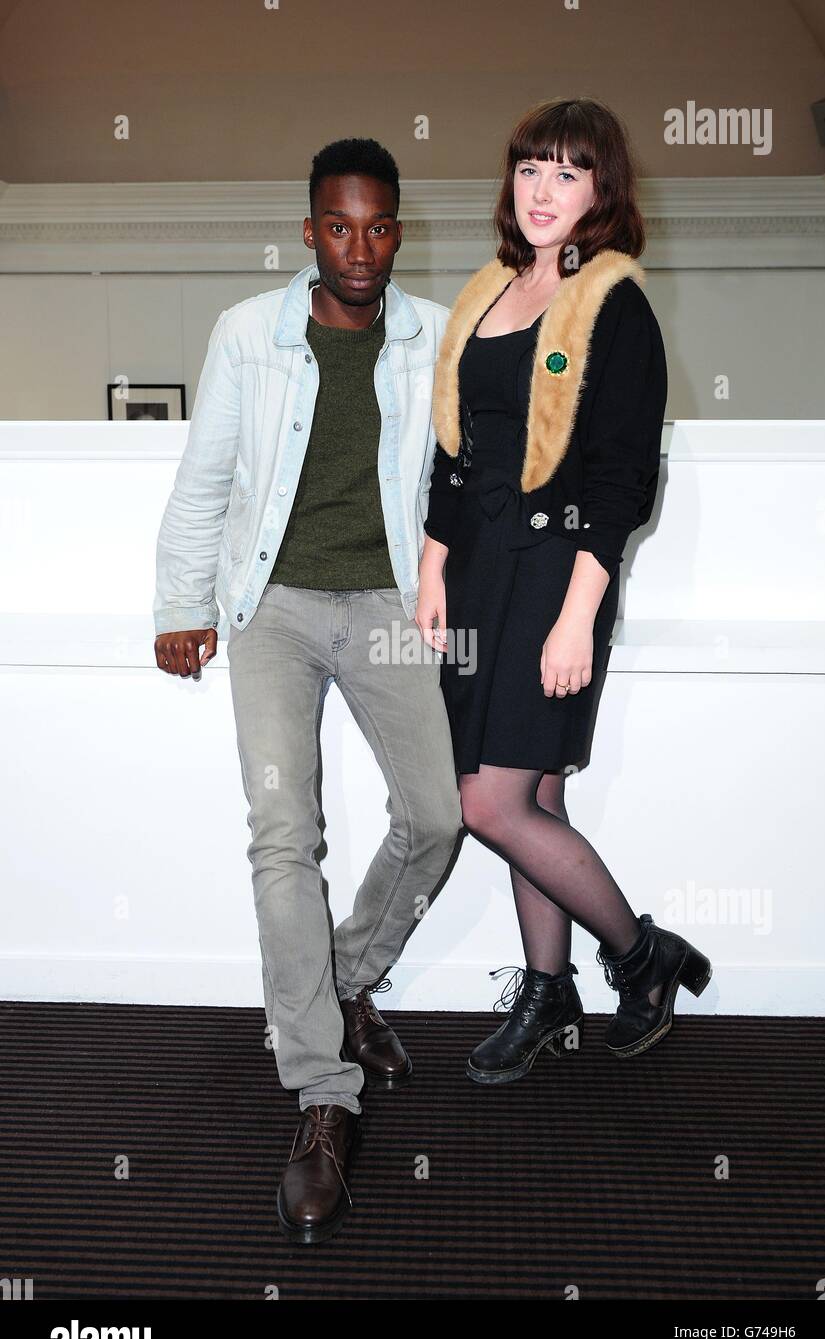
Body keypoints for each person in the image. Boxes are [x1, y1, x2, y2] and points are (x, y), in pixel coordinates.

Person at [153, 139, 463, 1243]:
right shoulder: (249, 334)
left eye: (380, 227)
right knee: (286, 831)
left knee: (437, 815)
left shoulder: (431, 335)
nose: (362, 248)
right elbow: (205, 480)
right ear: (309, 231)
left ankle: (340, 978)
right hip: (273, 607)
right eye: (340, 226)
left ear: (397, 230)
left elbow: (458, 479)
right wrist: (179, 604)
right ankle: (323, 1095)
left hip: (381, 604)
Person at [417, 98, 712, 1085]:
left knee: (486, 800)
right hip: (472, 574)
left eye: (568, 172)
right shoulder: (490, 290)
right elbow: (451, 454)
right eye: (530, 168)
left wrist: (580, 611)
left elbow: (624, 474)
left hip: (555, 572)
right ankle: (549, 993)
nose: (543, 191)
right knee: (532, 791)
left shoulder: (614, 300)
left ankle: (641, 956)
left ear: (602, 190)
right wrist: (428, 569)